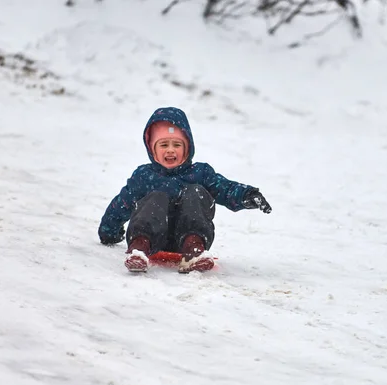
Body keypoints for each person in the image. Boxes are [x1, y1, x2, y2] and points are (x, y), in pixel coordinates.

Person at [98, 107, 272, 273]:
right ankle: (138, 250)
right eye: (164, 145)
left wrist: (248, 195)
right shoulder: (144, 176)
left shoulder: (200, 173)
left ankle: (194, 250)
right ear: (153, 149)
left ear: (187, 147)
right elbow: (123, 202)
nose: (171, 150)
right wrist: (109, 232)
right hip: (150, 239)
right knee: (156, 197)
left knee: (195, 192)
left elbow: (225, 188)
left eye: (177, 145)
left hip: (189, 238)